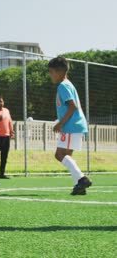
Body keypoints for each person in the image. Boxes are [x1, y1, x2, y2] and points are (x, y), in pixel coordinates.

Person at [49, 57, 92, 195]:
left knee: (59, 154)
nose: (50, 75)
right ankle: (79, 186)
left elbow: (72, 106)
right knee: (67, 155)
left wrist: (61, 123)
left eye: (51, 72)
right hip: (76, 125)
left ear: (59, 71)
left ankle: (82, 179)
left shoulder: (63, 86)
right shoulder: (68, 84)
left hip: (70, 126)